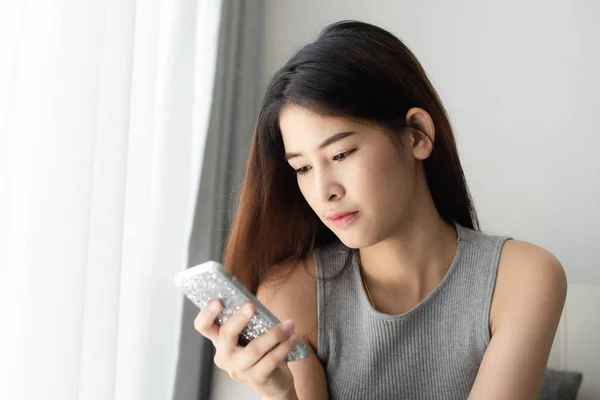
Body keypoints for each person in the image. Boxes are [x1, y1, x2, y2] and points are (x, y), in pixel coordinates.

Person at [193, 20, 567, 400]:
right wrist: (280, 393)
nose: (324, 192)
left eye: (340, 154)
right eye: (302, 168)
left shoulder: (522, 277)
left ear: (417, 135)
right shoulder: (293, 294)